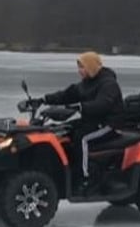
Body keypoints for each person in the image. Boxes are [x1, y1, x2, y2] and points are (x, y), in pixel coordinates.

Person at [41, 51, 124, 191]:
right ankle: (68, 169)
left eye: (82, 67)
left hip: (109, 124)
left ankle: (85, 177)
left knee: (82, 138)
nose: (79, 71)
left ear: (91, 67)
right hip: (91, 121)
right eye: (79, 67)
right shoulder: (87, 83)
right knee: (64, 131)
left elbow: (103, 104)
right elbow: (67, 95)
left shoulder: (108, 84)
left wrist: (81, 106)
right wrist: (44, 99)